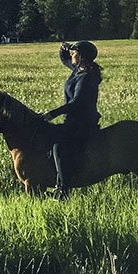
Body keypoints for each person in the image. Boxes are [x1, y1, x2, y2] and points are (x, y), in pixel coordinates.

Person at [43, 40, 102, 198]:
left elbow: (75, 103)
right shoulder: (79, 69)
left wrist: (52, 114)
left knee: (59, 148)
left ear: (82, 57)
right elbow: (64, 59)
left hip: (82, 124)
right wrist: (65, 48)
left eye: (75, 53)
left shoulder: (86, 77)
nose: (71, 55)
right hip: (73, 122)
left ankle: (64, 189)